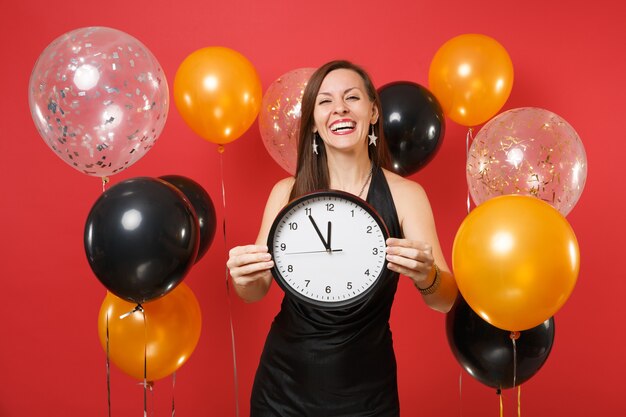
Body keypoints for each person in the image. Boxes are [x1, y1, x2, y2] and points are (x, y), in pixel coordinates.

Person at [227, 60, 458, 416]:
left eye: (352, 97)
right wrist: (244, 277)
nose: (340, 109)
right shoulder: (286, 192)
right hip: (282, 387)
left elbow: (444, 301)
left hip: (366, 392)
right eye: (325, 101)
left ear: (374, 113)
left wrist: (426, 275)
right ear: (315, 124)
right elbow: (254, 292)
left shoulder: (406, 195)